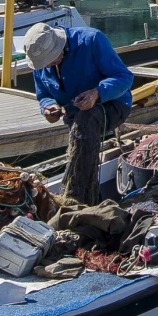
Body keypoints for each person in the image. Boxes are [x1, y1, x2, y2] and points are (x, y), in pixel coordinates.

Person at [26, 21, 134, 205]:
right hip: (75, 116)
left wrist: (97, 93)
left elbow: (124, 77)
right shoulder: (41, 63)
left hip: (113, 104)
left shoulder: (91, 40)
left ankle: (78, 199)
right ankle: (90, 198)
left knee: (86, 121)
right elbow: (43, 95)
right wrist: (48, 107)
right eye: (45, 63)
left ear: (60, 44)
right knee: (82, 138)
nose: (49, 64)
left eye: (51, 59)